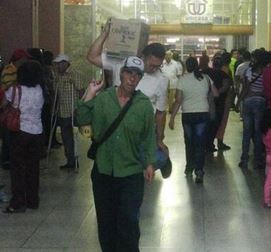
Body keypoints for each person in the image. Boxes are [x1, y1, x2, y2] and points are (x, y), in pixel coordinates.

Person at [75, 56, 155, 251]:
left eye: (137, 75)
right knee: (106, 221)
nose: (132, 78)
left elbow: (148, 137)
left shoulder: (143, 105)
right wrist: (90, 94)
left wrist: (149, 163)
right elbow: (82, 119)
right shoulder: (104, 98)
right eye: (129, 73)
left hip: (131, 172)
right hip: (104, 171)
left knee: (128, 220)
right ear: (121, 74)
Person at [87, 20, 171, 178]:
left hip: (141, 132)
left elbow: (160, 113)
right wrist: (105, 34)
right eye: (151, 64)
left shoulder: (161, 79)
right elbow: (92, 57)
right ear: (143, 56)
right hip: (115, 127)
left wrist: (159, 139)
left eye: (157, 66)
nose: (154, 69)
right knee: (114, 168)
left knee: (138, 170)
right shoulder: (122, 63)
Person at [3, 60, 44, 213]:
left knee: (18, 169)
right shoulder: (40, 89)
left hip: (19, 132)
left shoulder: (15, 90)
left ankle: (18, 202)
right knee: (33, 168)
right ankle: (33, 200)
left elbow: (4, 104)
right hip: (37, 133)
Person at [168, 57, 218, 183]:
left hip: (188, 115)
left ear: (186, 66)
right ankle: (199, 172)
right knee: (200, 144)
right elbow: (216, 94)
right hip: (203, 114)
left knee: (189, 143)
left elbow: (178, 100)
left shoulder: (182, 80)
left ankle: (189, 168)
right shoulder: (206, 78)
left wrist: (172, 118)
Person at [0, 49, 32, 170]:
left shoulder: (15, 70)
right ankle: (6, 160)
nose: (26, 61)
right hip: (8, 107)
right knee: (8, 136)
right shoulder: (10, 70)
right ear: (19, 60)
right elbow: (9, 88)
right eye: (24, 59)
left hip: (11, 106)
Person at [238, 50, 270, 169]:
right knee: (258, 132)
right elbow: (267, 89)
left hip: (248, 101)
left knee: (247, 132)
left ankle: (244, 159)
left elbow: (245, 88)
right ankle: (257, 160)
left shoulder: (249, 71)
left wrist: (239, 100)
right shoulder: (266, 72)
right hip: (260, 102)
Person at [53, 54, 84, 169]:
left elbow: (81, 91)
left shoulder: (74, 74)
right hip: (62, 111)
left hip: (73, 110)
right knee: (66, 137)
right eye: (56, 64)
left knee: (76, 136)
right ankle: (70, 161)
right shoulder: (58, 75)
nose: (57, 66)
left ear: (66, 63)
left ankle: (74, 159)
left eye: (59, 63)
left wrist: (80, 108)